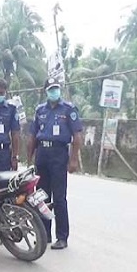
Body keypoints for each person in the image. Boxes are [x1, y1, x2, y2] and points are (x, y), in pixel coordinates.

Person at [27, 77, 83, 250]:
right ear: (46, 91)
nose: (54, 92)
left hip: (59, 154)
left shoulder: (68, 109)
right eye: (51, 89)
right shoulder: (39, 110)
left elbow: (77, 136)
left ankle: (62, 237)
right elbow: (32, 136)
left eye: (56, 88)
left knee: (59, 198)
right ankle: (45, 234)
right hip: (42, 154)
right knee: (42, 196)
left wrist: (73, 159)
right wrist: (29, 159)